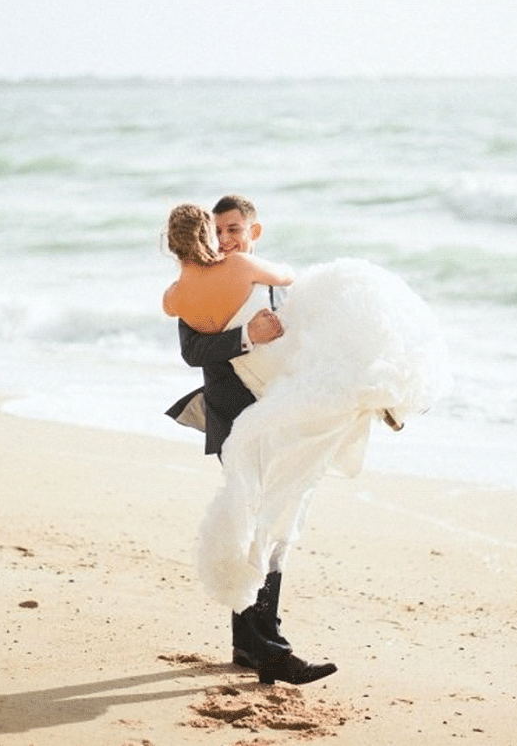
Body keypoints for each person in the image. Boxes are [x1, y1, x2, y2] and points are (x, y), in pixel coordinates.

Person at [163, 195, 338, 686]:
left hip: (281, 418)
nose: (224, 240)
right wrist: (248, 339)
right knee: (257, 525)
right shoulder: (202, 281)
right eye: (217, 231)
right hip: (236, 419)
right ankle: (269, 650)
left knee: (275, 527)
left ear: (253, 232)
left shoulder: (271, 284)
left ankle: (252, 640)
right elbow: (192, 350)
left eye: (234, 230)